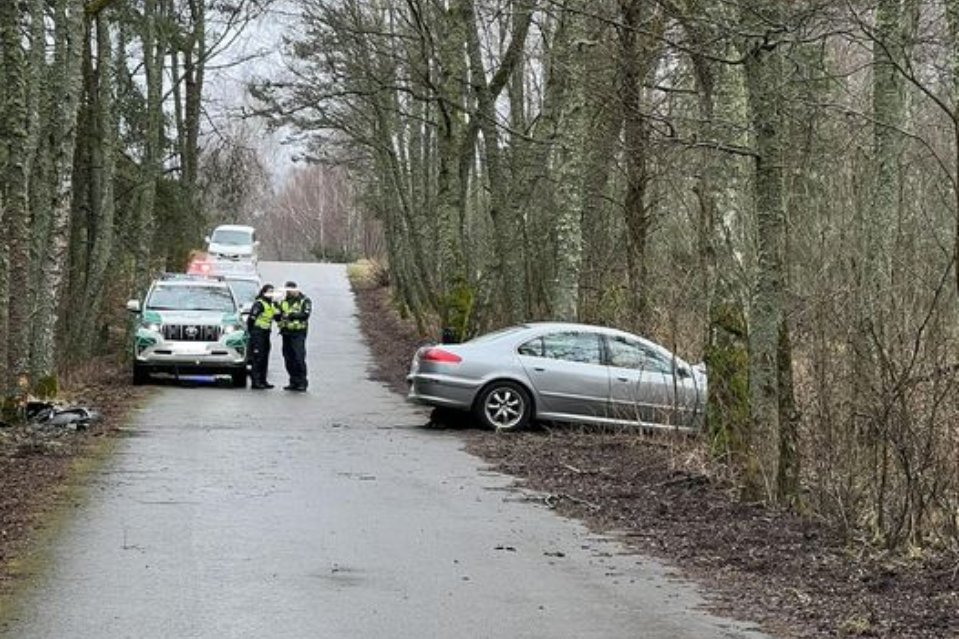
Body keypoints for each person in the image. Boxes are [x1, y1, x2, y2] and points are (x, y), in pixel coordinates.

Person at [277, 280, 312, 391]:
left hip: (298, 333)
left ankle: (302, 382)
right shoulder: (284, 301)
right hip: (286, 333)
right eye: (287, 290)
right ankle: (293, 381)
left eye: (290, 290)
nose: (288, 292)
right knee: (288, 358)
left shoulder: (304, 301)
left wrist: (291, 315)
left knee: (298, 357)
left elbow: (305, 315)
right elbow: (279, 314)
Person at [246, 283, 278, 390]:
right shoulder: (259, 304)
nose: (271, 294)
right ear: (264, 292)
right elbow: (251, 319)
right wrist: (252, 333)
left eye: (272, 292)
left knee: (264, 357)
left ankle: (263, 380)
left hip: (266, 333)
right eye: (269, 292)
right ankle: (256, 382)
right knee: (257, 358)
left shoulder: (271, 304)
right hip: (257, 333)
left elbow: (277, 317)